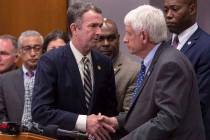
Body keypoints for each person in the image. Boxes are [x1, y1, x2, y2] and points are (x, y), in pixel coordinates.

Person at [99, 5, 205, 140]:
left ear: (143, 36)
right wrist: (117, 121)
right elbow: (148, 110)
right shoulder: (156, 60)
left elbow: (167, 119)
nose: (125, 39)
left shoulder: (170, 64)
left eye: (129, 33)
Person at [32, 2, 118, 140]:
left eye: (100, 26)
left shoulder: (105, 63)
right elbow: (40, 111)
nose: (99, 32)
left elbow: (110, 109)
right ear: (74, 28)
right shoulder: (51, 61)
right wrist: (84, 122)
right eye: (93, 26)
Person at [164, 0, 210, 138]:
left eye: (174, 9)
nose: (168, 15)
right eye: (165, 10)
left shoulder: (206, 47)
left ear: (192, 9)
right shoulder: (164, 46)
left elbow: (200, 102)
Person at [0, 30, 44, 131]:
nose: (33, 53)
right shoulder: (4, 80)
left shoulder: (52, 77)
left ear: (43, 51)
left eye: (37, 49)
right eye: (27, 49)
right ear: (19, 52)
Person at [95, 18, 140, 112]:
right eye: (100, 39)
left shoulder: (133, 71)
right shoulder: (86, 66)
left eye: (111, 38)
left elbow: (129, 115)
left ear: (118, 39)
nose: (106, 44)